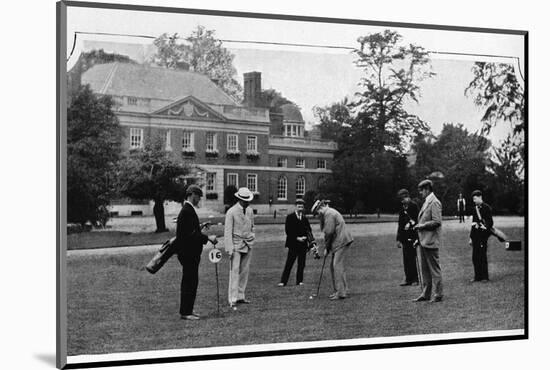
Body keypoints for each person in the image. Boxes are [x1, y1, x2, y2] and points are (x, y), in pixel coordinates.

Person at [175, 185, 218, 320]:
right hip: (188, 253)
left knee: (192, 281)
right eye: (198, 196)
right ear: (192, 194)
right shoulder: (187, 211)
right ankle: (186, 312)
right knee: (189, 282)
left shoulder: (188, 210)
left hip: (190, 253)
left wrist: (201, 227)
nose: (199, 199)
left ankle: (188, 310)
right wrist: (208, 238)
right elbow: (190, 235)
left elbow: (191, 231)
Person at [311, 199, 354, 300]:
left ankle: (341, 293)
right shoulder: (329, 212)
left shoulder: (329, 213)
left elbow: (329, 232)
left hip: (341, 241)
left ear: (320, 208)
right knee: (334, 266)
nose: (318, 215)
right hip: (340, 241)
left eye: (317, 213)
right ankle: (341, 289)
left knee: (336, 265)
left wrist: (327, 248)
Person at [224, 187, 255, 310]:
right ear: (239, 199)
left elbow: (252, 226)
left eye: (248, 200)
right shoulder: (231, 212)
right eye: (244, 200)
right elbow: (227, 232)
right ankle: (232, 298)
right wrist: (229, 249)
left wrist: (252, 237)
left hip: (248, 244)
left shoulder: (250, 211)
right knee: (234, 272)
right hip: (236, 245)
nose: (246, 202)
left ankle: (240, 296)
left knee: (244, 271)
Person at [412, 179, 443, 303]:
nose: (420, 193)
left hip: (431, 241)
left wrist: (422, 226)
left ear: (427, 189)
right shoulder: (427, 202)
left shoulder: (434, 202)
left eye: (421, 190)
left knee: (434, 269)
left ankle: (438, 294)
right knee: (425, 270)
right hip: (424, 241)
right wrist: (418, 239)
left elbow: (437, 221)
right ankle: (426, 293)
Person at [278, 199, 312, 286]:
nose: (300, 208)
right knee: (289, 263)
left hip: (303, 245)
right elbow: (288, 231)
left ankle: (299, 281)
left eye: (302, 207)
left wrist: (308, 239)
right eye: (299, 206)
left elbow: (309, 231)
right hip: (293, 244)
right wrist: (297, 238)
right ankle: (283, 281)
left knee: (301, 264)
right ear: (295, 207)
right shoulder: (290, 217)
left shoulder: (304, 218)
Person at [395, 189, 419, 286]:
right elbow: (400, 224)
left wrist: (411, 225)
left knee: (412, 258)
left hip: (412, 235)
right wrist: (398, 239)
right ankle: (408, 278)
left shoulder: (414, 206)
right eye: (401, 199)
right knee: (406, 259)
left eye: (403, 198)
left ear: (407, 197)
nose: (402, 201)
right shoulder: (402, 209)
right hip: (404, 237)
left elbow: (417, 219)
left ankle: (415, 279)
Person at [469, 190, 494, 282]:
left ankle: (485, 277)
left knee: (482, 256)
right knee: (475, 257)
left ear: (480, 197)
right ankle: (477, 276)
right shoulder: (474, 209)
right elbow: (473, 224)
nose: (474, 201)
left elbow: (490, 222)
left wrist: (485, 226)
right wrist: (470, 238)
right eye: (473, 199)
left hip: (483, 236)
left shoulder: (487, 208)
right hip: (475, 236)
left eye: (475, 199)